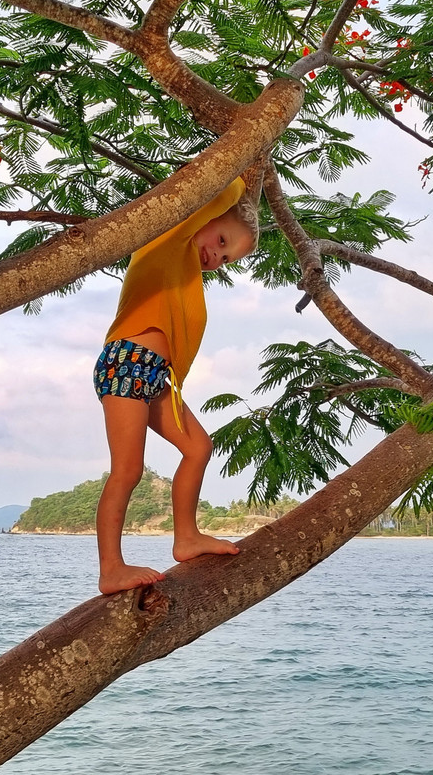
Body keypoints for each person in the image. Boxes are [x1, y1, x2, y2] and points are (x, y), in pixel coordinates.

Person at [92, 178, 259, 594]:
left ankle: (186, 538)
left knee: (199, 447)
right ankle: (110, 568)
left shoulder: (187, 277)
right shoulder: (168, 240)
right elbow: (213, 192)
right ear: (204, 217)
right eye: (221, 239)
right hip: (126, 363)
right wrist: (244, 167)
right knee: (128, 470)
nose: (216, 256)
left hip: (156, 378)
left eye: (225, 257)